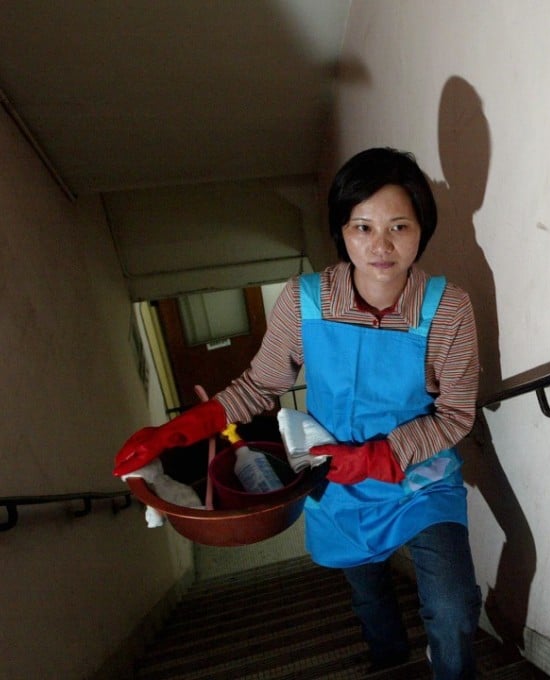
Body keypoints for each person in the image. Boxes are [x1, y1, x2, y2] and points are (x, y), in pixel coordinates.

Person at [113, 147, 483, 679]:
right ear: (342, 228)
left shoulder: (449, 308)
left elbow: (455, 415)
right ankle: (389, 658)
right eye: (363, 227)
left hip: (419, 483)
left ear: (422, 229)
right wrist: (179, 430)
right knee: (368, 589)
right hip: (334, 483)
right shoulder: (304, 300)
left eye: (399, 226)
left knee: (453, 607)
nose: (380, 245)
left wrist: (381, 456)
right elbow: (263, 384)